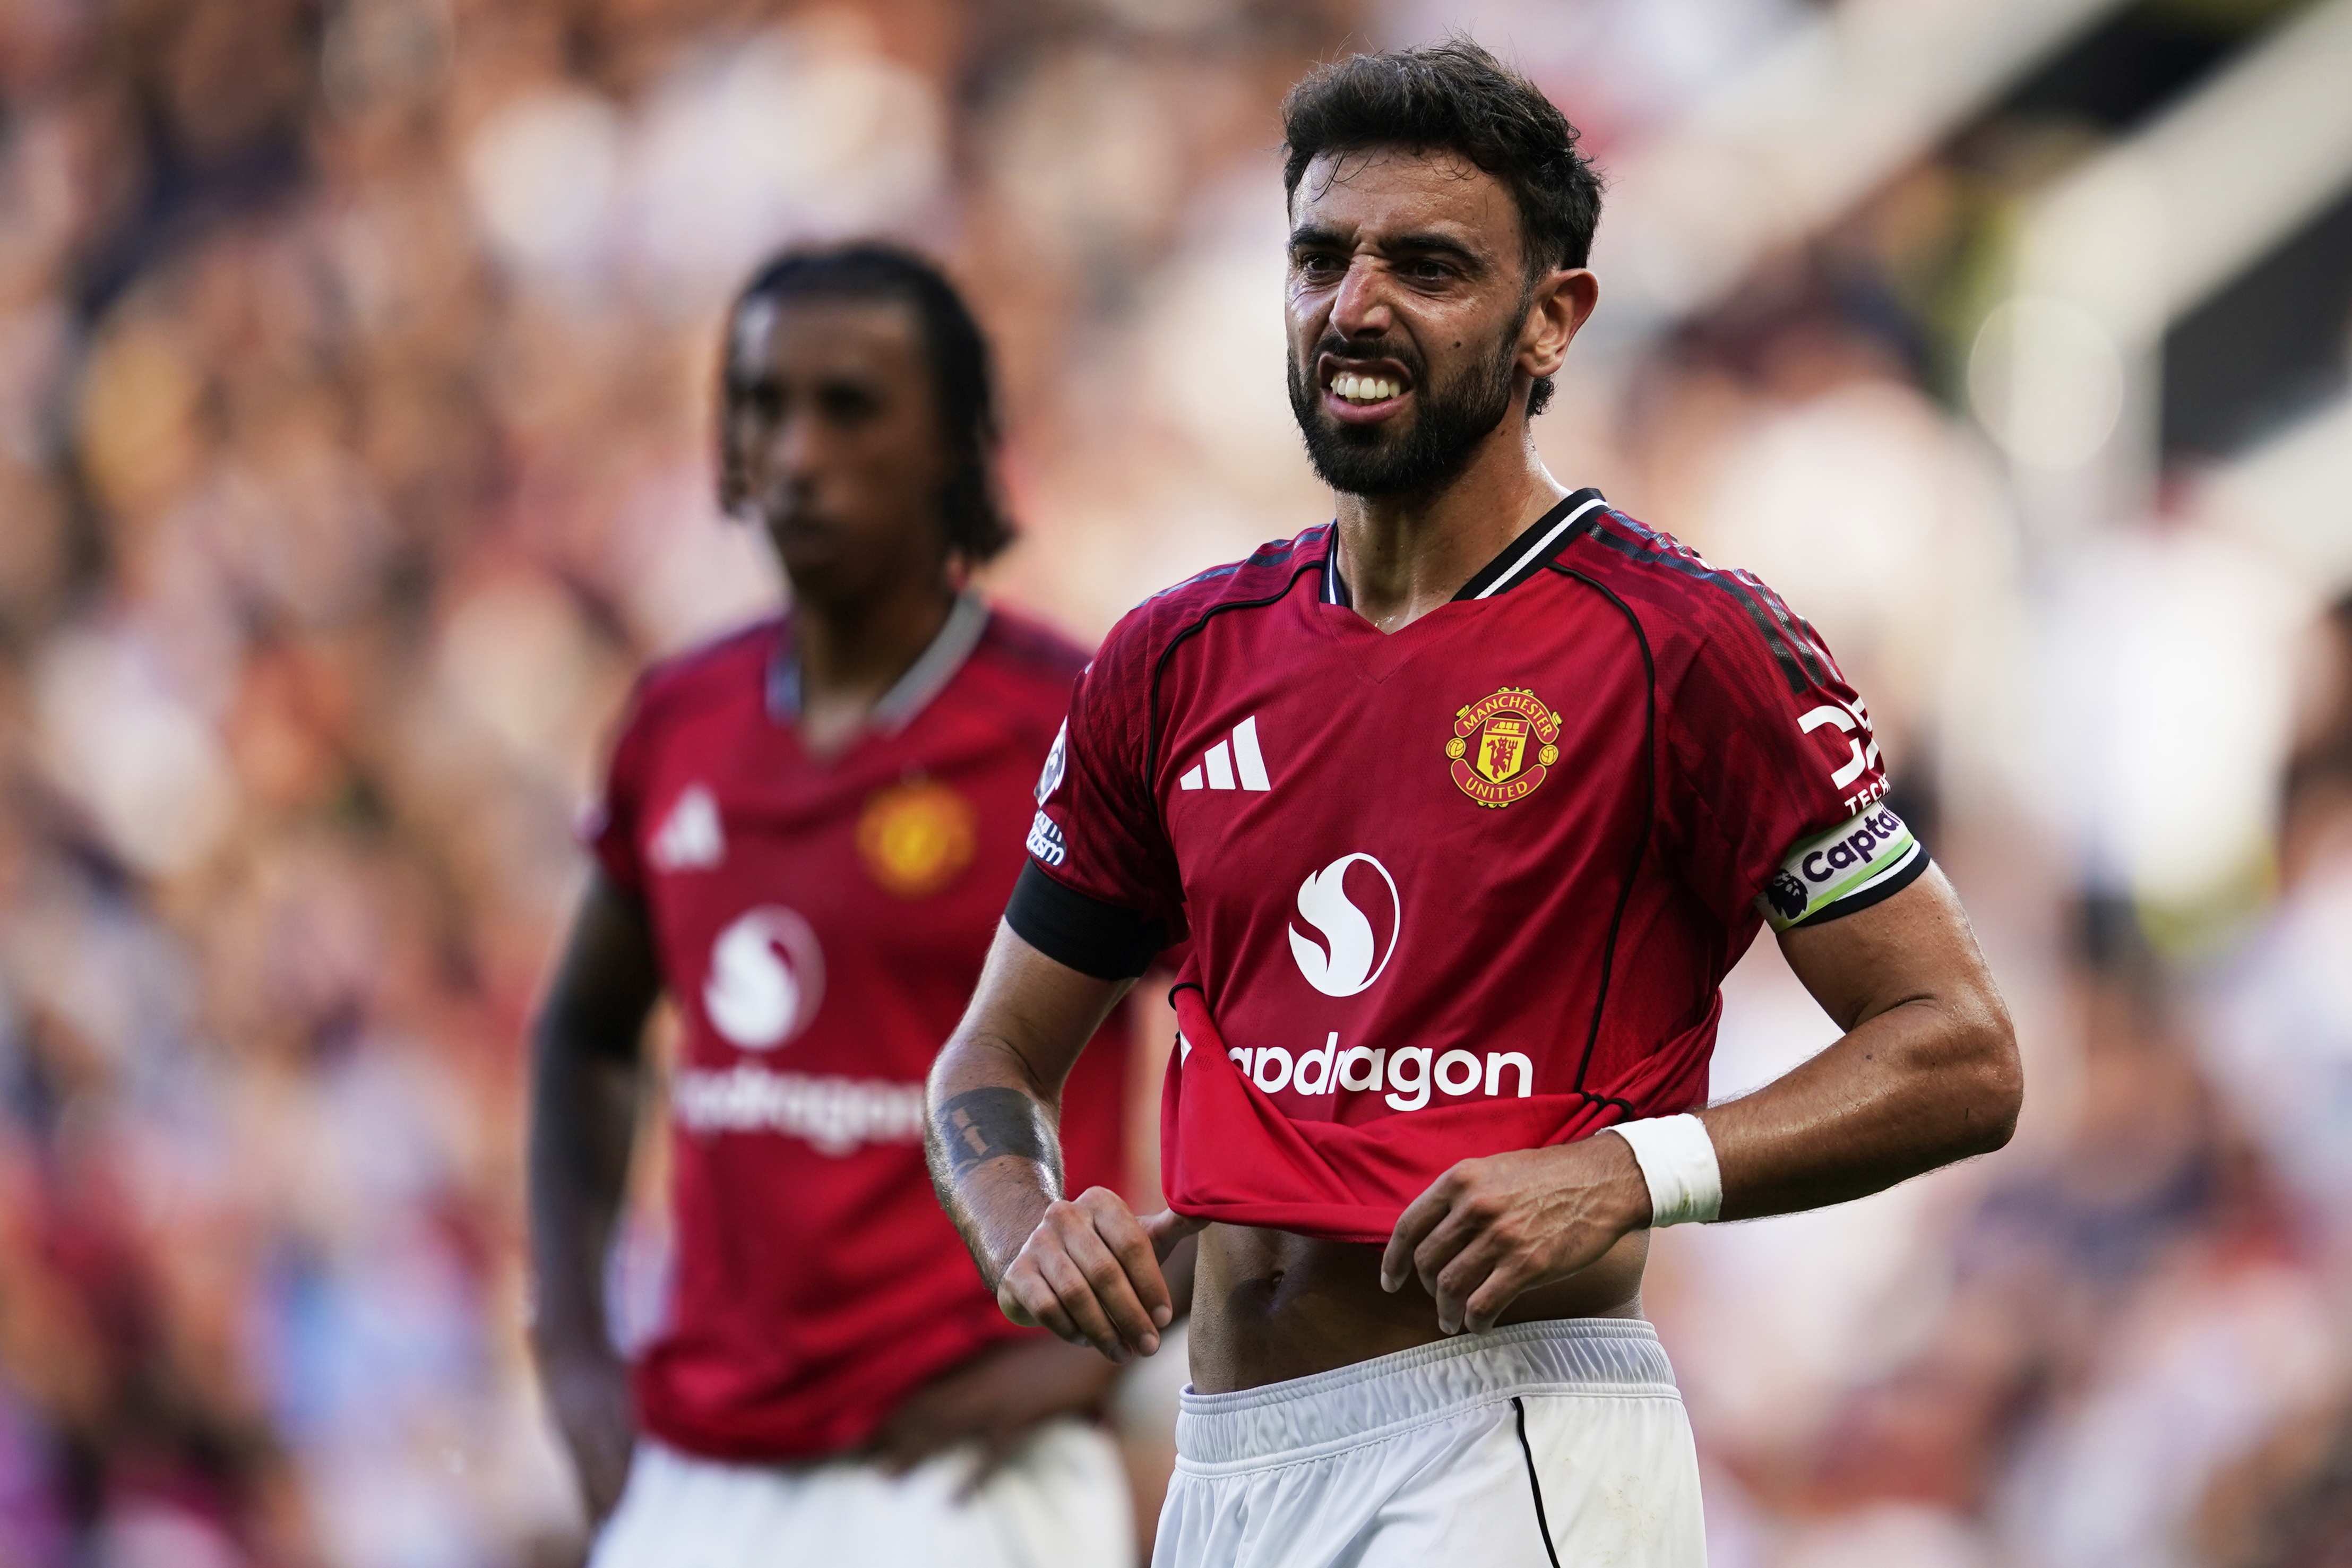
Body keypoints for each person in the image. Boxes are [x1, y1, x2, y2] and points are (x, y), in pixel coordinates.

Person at [925, 41, 2020, 1568]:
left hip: (1504, 1442)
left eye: (1427, 266)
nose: (1354, 305)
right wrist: (1022, 1216)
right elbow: (993, 1054)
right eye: (1321, 257)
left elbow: (1961, 1049)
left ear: (1549, 322)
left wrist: (1630, 1171)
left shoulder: (1683, 644)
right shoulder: (1172, 657)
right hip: (1225, 1461)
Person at [528, 244, 1139, 1568]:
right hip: (699, 1468)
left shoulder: (1076, 718)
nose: (794, 451)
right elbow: (582, 1030)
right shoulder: (676, 718)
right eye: (760, 404)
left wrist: (1146, 1326)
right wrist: (573, 1348)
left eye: (849, 406)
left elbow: (1287, 1028)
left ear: (955, 448)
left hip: (968, 1471)